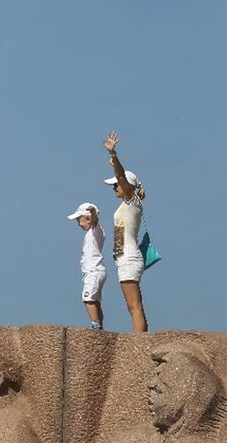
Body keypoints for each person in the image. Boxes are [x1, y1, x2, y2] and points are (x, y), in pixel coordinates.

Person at [103, 131, 149, 332]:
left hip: (129, 257)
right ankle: (139, 342)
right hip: (123, 258)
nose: (114, 188)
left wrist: (113, 156)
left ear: (127, 187)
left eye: (116, 186)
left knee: (134, 307)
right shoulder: (126, 203)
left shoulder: (133, 201)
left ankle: (139, 345)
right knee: (131, 307)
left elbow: (121, 176)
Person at [66, 202, 107, 330]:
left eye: (79, 219)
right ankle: (99, 325)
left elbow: (95, 221)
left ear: (88, 218)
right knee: (95, 301)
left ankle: (95, 325)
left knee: (88, 298)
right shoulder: (90, 234)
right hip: (93, 271)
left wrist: (93, 212)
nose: (78, 223)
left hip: (93, 271)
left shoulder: (96, 231)